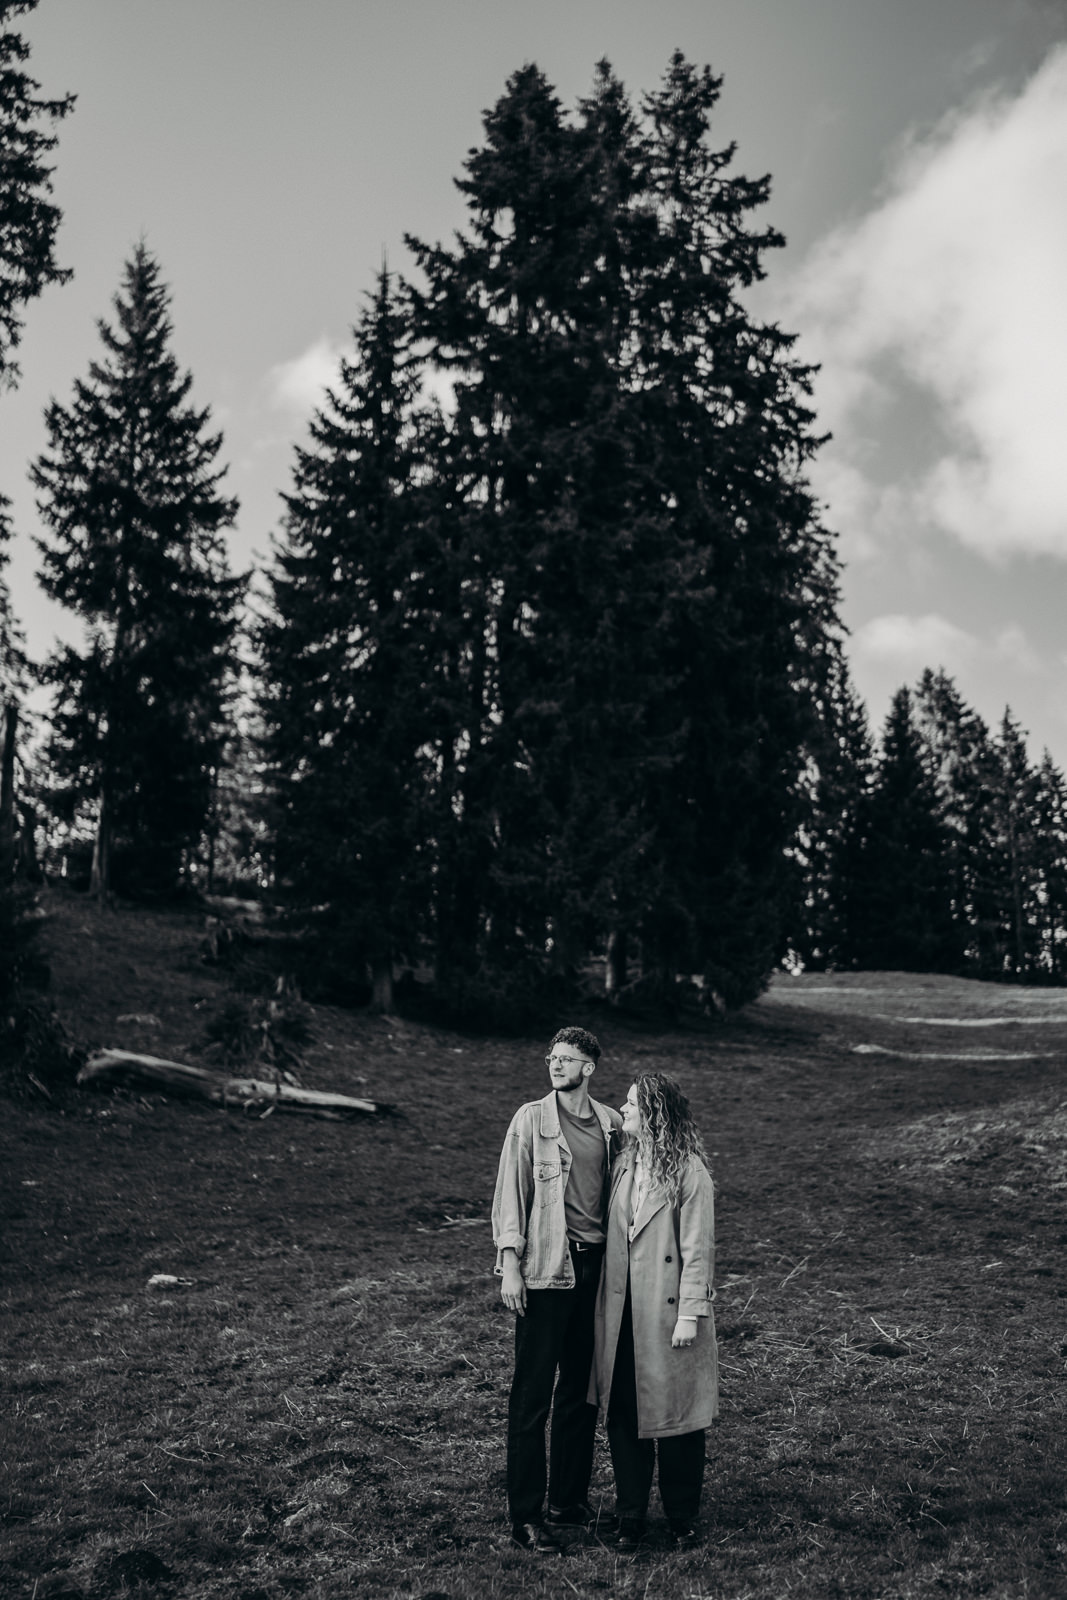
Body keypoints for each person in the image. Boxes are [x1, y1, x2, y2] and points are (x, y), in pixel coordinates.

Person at [492, 1026, 623, 1551]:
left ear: (589, 1067)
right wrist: (509, 1265)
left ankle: (566, 1502)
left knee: (579, 1395)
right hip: (547, 1271)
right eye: (552, 1057)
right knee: (532, 1400)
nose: (555, 1064)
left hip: (598, 1274)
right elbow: (510, 1192)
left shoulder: (614, 1124)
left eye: (567, 1059)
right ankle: (526, 1518)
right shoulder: (531, 1119)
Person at [591, 1071, 718, 1551]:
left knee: (680, 1420)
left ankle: (682, 1517)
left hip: (668, 1316)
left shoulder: (690, 1172)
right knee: (626, 1416)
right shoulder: (623, 1162)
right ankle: (630, 1516)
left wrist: (690, 1314)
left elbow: (697, 1249)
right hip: (622, 1313)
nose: (622, 1109)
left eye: (631, 1104)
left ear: (655, 1115)